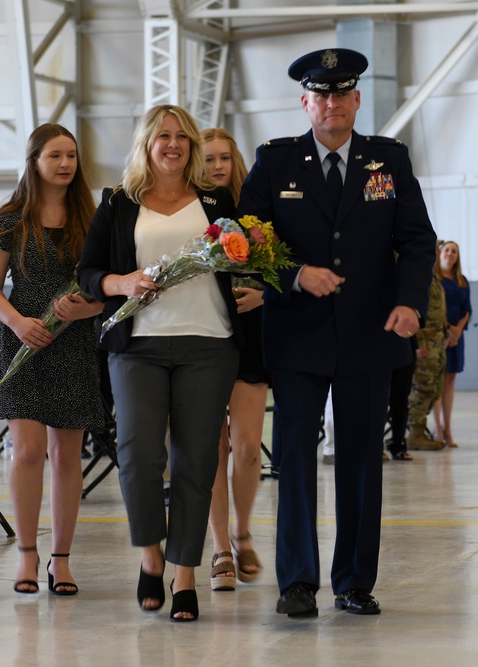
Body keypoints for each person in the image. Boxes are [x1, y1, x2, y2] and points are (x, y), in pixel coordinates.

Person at [238, 48, 436, 617]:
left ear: (356, 101)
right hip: (298, 336)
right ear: (306, 103)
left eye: (341, 94)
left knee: (359, 461)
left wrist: (409, 303)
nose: (331, 104)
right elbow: (245, 241)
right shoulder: (275, 162)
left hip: (372, 334)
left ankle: (353, 581)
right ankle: (297, 582)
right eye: (320, 95)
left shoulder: (388, 161)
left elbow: (419, 240)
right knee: (297, 460)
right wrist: (295, 275)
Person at [77, 104, 242, 622]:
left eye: (182, 137)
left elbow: (241, 262)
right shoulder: (118, 202)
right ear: (146, 144)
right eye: (162, 136)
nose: (173, 144)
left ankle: (185, 575)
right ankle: (151, 558)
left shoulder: (217, 200)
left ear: (192, 146)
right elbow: (87, 273)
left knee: (197, 463)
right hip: (139, 345)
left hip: (209, 342)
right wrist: (121, 283)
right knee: (138, 455)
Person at [0, 124, 104, 597]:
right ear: (34, 162)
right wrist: (14, 322)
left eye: (71, 155)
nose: (66, 163)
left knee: (67, 455)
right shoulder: (11, 218)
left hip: (73, 346)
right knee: (29, 452)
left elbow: (105, 288)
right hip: (22, 342)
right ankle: (27, 555)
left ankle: (63, 560)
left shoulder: (91, 218)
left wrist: (87, 309)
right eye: (55, 155)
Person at [200, 128, 265, 591]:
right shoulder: (187, 210)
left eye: (225, 157)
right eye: (209, 159)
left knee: (245, 448)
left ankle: (243, 529)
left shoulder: (257, 209)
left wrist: (263, 294)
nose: (218, 165)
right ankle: (221, 547)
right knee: (211, 449)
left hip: (252, 336)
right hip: (205, 334)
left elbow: (282, 267)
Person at [432, 240, 471, 448]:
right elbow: (433, 310)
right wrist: (447, 330)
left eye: (454, 251)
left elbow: (467, 309)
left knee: (450, 381)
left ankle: (448, 429)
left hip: (457, 337)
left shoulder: (462, 281)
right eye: (447, 250)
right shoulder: (434, 279)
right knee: (437, 382)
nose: (450, 254)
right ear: (440, 254)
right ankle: (437, 428)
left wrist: (457, 330)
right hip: (439, 336)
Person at [408, 252, 448, 451]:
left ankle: (419, 430)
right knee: (422, 387)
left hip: (437, 341)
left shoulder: (433, 278)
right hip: (425, 342)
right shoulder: (419, 278)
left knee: (434, 388)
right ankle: (414, 433)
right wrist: (417, 342)